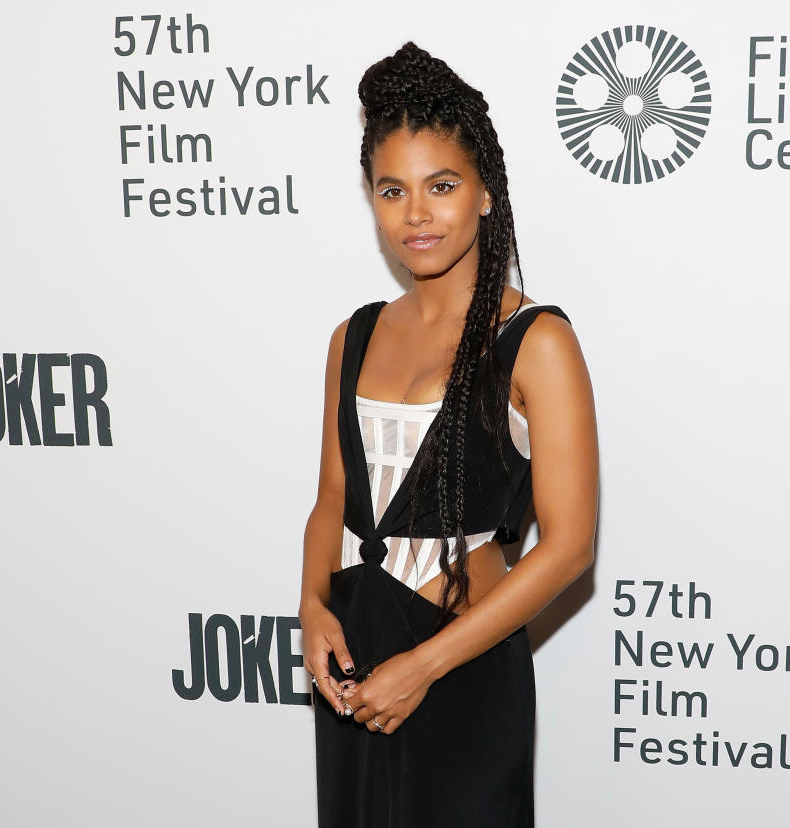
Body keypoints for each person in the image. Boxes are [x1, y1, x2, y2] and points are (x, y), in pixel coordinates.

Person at [298, 41, 599, 827]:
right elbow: (333, 499)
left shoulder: (535, 340)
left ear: (485, 194)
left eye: (442, 186)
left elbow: (569, 548)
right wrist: (312, 607)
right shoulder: (352, 337)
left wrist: (425, 665)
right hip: (358, 661)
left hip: (463, 665)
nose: (417, 214)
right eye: (392, 190)